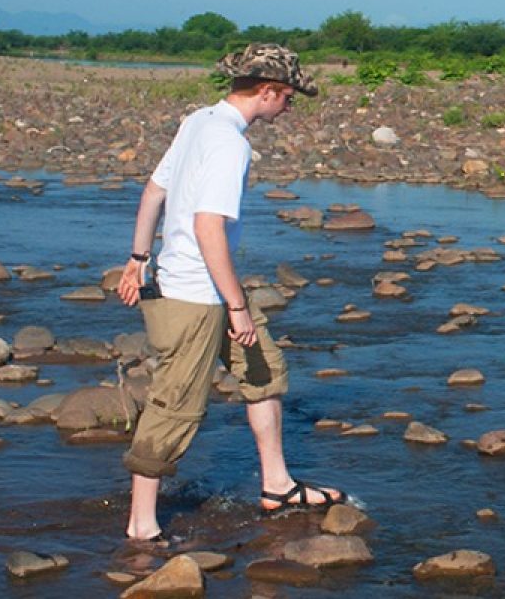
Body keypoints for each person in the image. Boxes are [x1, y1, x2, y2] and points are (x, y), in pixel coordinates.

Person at [113, 43, 347, 545]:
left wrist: (137, 259)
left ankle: (277, 485)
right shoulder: (228, 143)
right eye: (289, 98)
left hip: (205, 287)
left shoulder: (198, 120)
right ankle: (142, 525)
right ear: (268, 92)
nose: (289, 108)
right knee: (176, 405)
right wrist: (237, 306)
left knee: (264, 369)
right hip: (194, 297)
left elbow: (155, 190)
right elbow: (207, 227)